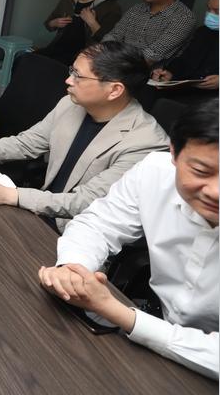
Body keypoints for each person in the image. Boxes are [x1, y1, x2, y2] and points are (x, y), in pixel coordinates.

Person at [37, 99, 218, 379]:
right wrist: (75, 269)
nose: (215, 192)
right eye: (201, 171)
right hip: (154, 337)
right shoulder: (155, 172)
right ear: (174, 153)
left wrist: (121, 314)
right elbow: (97, 223)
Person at [0, 41, 168, 226]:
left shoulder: (146, 143)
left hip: (79, 232)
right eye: (72, 71)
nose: (68, 80)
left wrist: (13, 195)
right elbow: (29, 142)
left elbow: (86, 202)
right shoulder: (70, 104)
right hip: (41, 210)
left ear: (114, 90)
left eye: (78, 76)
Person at [103, 0, 196, 65]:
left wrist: (113, 63)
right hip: (115, 61)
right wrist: (100, 53)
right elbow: (114, 35)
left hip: (148, 70)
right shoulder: (137, 8)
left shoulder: (184, 17)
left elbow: (152, 55)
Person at [37, 0, 122, 65]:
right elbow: (48, 24)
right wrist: (54, 23)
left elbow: (110, 43)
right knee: (26, 60)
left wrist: (92, 22)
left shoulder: (111, 6)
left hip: (85, 58)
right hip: (57, 49)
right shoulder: (67, 0)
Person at [148, 0, 219, 104]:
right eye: (209, 9)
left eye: (217, 11)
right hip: (187, 90)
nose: (210, 14)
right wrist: (169, 73)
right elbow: (185, 60)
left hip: (213, 100)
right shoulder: (203, 32)